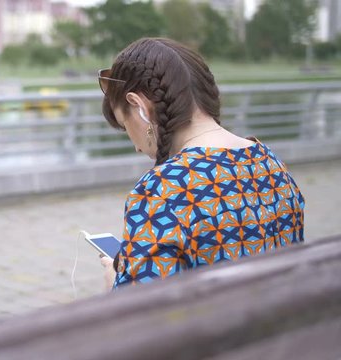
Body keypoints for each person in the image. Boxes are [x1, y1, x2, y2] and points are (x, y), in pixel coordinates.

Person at [98, 38, 305, 291]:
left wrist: (113, 286)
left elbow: (141, 317)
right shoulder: (270, 162)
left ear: (140, 107)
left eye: (125, 124)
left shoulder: (162, 189)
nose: (137, 147)